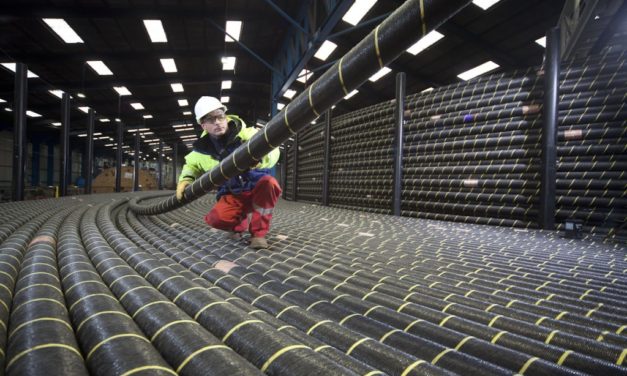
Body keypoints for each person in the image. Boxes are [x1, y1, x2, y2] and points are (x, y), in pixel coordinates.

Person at [176, 96, 281, 249]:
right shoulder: (201, 150)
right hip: (232, 193)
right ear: (203, 125)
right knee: (216, 219)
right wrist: (185, 180)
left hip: (256, 189)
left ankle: (258, 234)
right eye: (210, 120)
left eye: (220, 116)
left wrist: (260, 157)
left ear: (226, 116)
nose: (217, 122)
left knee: (269, 183)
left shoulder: (249, 134)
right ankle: (237, 225)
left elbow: (274, 151)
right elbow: (191, 165)